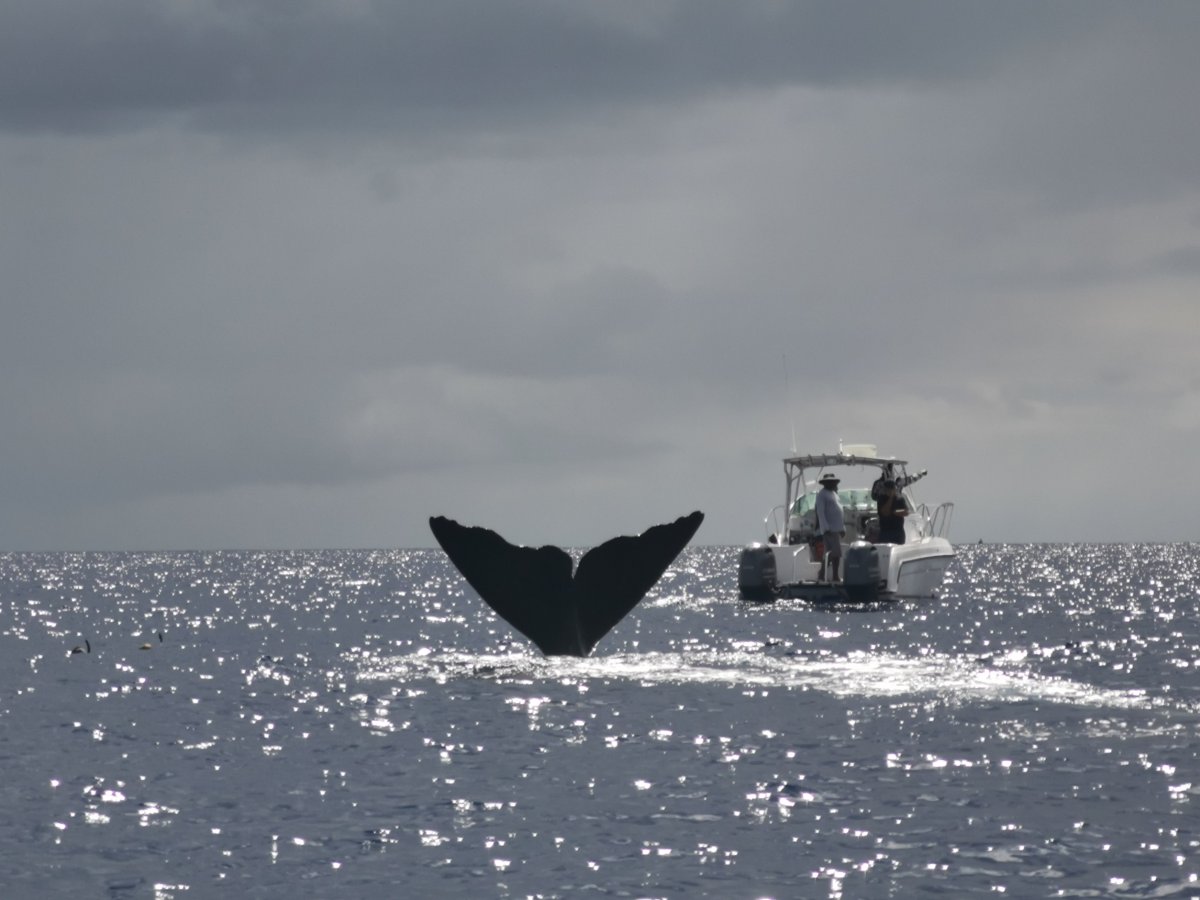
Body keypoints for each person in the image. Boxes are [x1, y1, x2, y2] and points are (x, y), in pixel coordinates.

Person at [814, 473, 845, 582]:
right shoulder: (822, 495)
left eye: (834, 482)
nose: (833, 484)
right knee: (834, 554)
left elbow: (839, 512)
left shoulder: (834, 494)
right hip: (829, 530)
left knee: (832, 554)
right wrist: (825, 528)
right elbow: (820, 513)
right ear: (826, 483)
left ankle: (822, 574)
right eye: (830, 482)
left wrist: (842, 528)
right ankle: (832, 576)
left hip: (836, 529)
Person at [876, 479, 909, 544]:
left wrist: (894, 512)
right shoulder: (881, 499)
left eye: (890, 489)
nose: (888, 491)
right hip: (885, 532)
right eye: (887, 489)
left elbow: (906, 512)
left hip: (898, 532)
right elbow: (885, 512)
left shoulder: (900, 499)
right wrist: (890, 498)